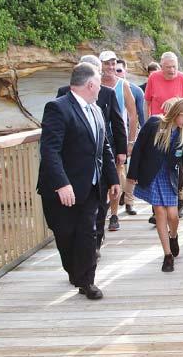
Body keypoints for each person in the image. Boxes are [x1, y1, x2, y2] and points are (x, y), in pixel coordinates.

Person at [38, 62, 119, 299]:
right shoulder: (58, 108)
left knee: (88, 233)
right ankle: (76, 273)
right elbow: (50, 150)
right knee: (66, 235)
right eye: (99, 83)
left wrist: (113, 178)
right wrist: (62, 184)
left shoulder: (96, 110)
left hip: (92, 187)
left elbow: (104, 147)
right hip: (63, 189)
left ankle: (87, 281)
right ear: (91, 84)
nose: (101, 88)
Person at [55, 55, 126, 258]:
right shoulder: (63, 97)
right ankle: (86, 250)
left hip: (100, 162)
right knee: (77, 221)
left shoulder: (106, 96)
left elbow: (116, 124)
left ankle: (96, 242)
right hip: (75, 168)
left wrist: (121, 150)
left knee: (99, 207)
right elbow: (54, 141)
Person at [127, 99, 183, 272]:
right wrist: (132, 174)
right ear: (176, 114)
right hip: (153, 176)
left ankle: (173, 235)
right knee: (160, 213)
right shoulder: (154, 124)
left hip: (169, 177)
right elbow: (139, 148)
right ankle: (167, 255)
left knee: (173, 215)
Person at [144, 52, 183, 221]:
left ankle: (179, 203)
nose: (172, 70)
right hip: (158, 127)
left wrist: (175, 100)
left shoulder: (182, 79)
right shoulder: (153, 78)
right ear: (161, 66)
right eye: (168, 67)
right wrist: (146, 123)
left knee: (176, 165)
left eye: (174, 67)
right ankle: (155, 208)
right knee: (155, 165)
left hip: (178, 128)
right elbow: (147, 102)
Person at [99, 50, 138, 232]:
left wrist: (130, 142)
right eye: (107, 63)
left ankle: (114, 214)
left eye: (113, 63)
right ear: (100, 65)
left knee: (116, 174)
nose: (111, 67)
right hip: (97, 136)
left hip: (116, 136)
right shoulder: (93, 83)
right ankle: (100, 211)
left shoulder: (122, 85)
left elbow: (132, 114)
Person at [116, 59, 144, 216]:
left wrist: (136, 139)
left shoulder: (135, 90)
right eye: (115, 70)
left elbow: (140, 115)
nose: (117, 73)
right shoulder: (105, 87)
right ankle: (119, 195)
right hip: (115, 136)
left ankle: (129, 202)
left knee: (132, 171)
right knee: (119, 169)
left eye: (119, 70)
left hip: (131, 134)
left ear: (125, 71)